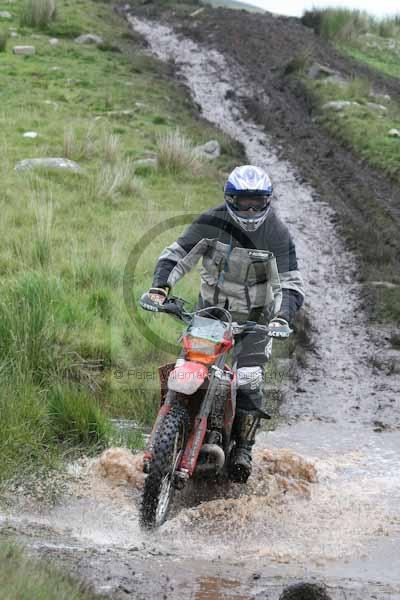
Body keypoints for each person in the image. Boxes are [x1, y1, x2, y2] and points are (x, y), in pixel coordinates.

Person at [145, 165, 304, 482]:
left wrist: (282, 317)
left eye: (257, 202)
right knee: (187, 365)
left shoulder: (276, 233)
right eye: (244, 202)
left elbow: (290, 283)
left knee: (248, 377)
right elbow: (178, 254)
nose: (250, 210)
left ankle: (243, 447)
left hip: (255, 320)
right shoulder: (211, 222)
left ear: (267, 201)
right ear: (231, 199)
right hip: (211, 313)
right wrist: (160, 288)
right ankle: (168, 428)